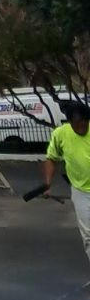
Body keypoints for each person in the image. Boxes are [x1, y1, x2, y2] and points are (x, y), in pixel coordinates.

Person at [43, 100, 90, 270]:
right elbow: (51, 158)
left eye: (84, 123)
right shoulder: (61, 134)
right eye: (77, 124)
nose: (81, 128)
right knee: (88, 235)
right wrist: (47, 184)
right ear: (70, 122)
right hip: (81, 192)